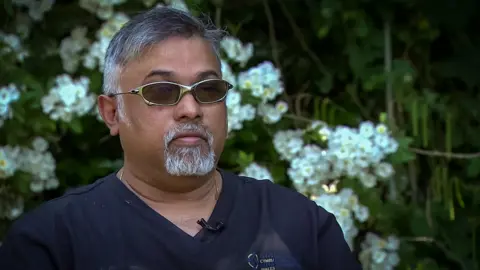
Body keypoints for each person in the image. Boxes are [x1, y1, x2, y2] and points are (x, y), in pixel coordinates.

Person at [0, 6, 362, 270]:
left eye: (208, 89)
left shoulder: (298, 224)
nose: (191, 109)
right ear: (112, 113)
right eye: (161, 91)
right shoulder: (53, 243)